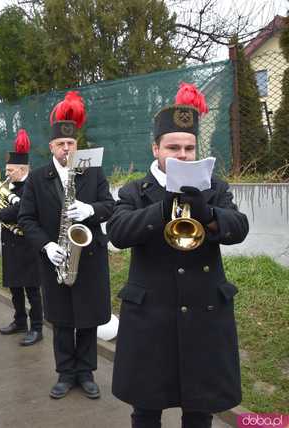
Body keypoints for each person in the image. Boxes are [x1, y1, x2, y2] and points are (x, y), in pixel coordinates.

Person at [107, 83, 249, 428]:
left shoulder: (214, 187)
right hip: (150, 318)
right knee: (145, 409)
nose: (183, 155)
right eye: (173, 147)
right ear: (156, 148)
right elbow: (118, 232)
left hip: (204, 314)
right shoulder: (134, 191)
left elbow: (239, 227)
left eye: (189, 147)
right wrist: (160, 210)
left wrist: (210, 215)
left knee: (200, 409)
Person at [18, 92, 114, 400]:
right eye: (61, 144)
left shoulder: (93, 172)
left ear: (77, 145)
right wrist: (46, 246)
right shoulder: (36, 179)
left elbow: (110, 206)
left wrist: (90, 210)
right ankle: (65, 372)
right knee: (61, 319)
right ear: (51, 147)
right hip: (55, 256)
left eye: (71, 144)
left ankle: (85, 372)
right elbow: (26, 219)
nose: (66, 148)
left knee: (87, 318)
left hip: (89, 256)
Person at [0, 129, 43, 346]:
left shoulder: (32, 185)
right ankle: (19, 321)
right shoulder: (11, 186)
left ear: (21, 169)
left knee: (32, 289)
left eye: (9, 170)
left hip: (27, 245)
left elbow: (19, 211)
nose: (6, 174)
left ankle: (37, 328)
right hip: (10, 242)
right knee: (15, 287)